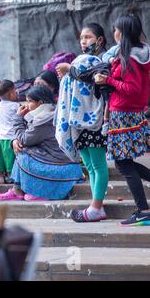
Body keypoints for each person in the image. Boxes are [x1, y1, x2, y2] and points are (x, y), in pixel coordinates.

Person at [94, 13, 150, 226]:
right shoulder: (135, 55)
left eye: (116, 30)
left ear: (123, 33)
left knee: (124, 164)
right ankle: (142, 209)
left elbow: (132, 89)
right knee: (124, 163)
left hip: (124, 115)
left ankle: (143, 210)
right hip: (126, 113)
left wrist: (108, 80)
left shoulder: (130, 59)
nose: (113, 33)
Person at [55, 23, 110, 222]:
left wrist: (70, 69)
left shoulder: (101, 61)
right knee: (89, 165)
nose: (84, 41)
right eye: (81, 38)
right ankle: (96, 205)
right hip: (77, 121)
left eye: (88, 37)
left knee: (98, 164)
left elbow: (90, 77)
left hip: (93, 121)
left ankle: (96, 207)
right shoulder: (79, 62)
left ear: (100, 40)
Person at [0, 86, 83, 201]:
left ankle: (24, 191)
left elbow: (24, 140)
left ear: (40, 103)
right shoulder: (51, 113)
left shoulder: (44, 120)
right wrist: (14, 140)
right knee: (25, 151)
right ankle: (18, 190)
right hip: (61, 161)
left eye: (30, 101)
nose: (27, 105)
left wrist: (18, 118)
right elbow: (27, 138)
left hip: (61, 165)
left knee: (23, 156)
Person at [0, 80, 20, 185]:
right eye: (14, 90)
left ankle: (0, 177)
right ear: (11, 94)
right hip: (11, 138)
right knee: (10, 159)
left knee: (0, 158)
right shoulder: (15, 106)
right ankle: (10, 176)